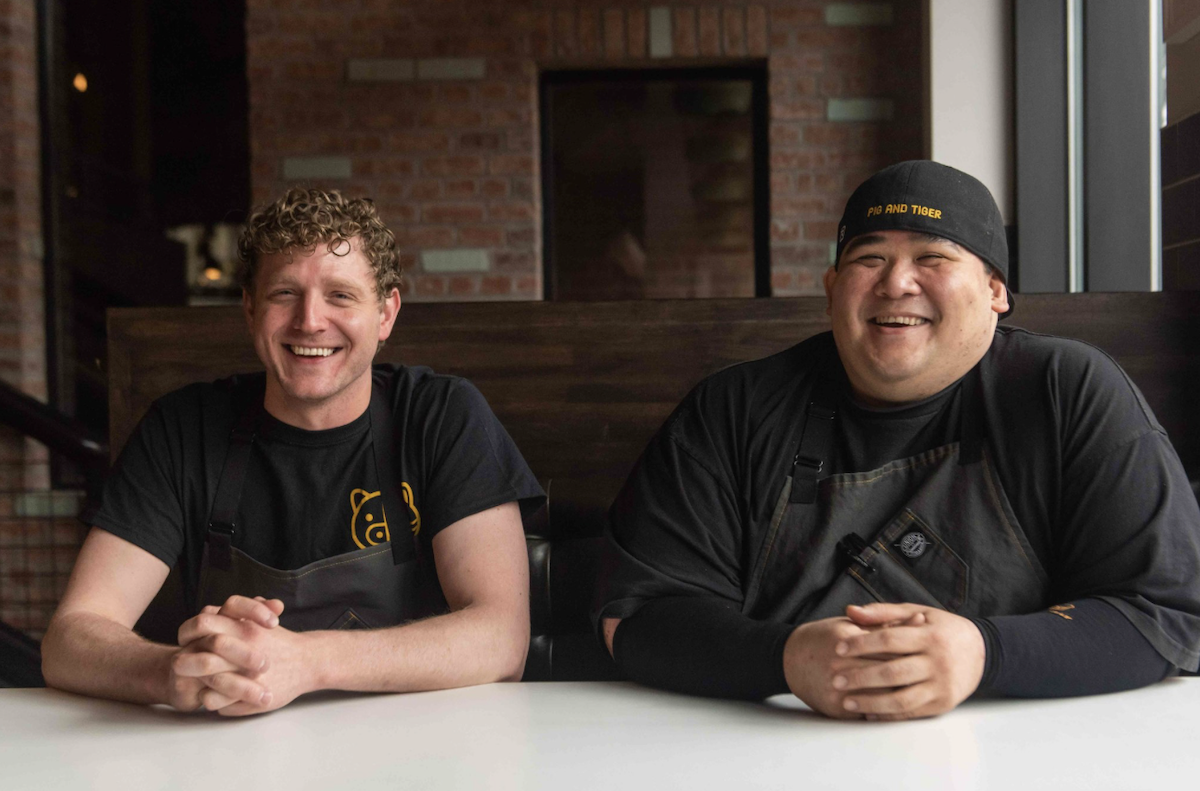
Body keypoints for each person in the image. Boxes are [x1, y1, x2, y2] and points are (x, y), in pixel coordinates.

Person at [596, 160, 1200, 720]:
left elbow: (1163, 612)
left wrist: (984, 652)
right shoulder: (733, 409)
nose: (896, 284)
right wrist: (784, 658)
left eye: (933, 257)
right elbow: (639, 615)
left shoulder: (1066, 392)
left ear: (996, 291)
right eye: (869, 259)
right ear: (833, 287)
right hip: (777, 751)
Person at [42, 188, 544, 716]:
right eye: (284, 293)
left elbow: (501, 638)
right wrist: (171, 673)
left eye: (341, 296)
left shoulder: (442, 417)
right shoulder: (182, 429)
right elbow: (70, 639)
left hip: (413, 750)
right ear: (250, 308)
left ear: (386, 314)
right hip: (226, 751)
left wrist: (306, 662)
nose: (309, 320)